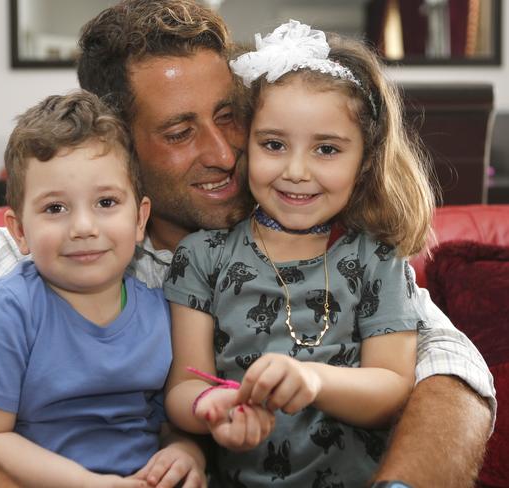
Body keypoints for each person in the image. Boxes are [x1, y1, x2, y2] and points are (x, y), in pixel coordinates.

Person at [0, 2, 494, 487]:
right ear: (122, 144)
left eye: (228, 116)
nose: (224, 153)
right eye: (179, 131)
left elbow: (452, 368)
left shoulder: (335, 240)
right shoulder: (65, 251)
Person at [162, 19, 448, 487]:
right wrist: (208, 406)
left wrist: (314, 381)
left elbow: (392, 389)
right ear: (246, 146)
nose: (296, 171)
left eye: (327, 150)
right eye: (274, 144)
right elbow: (182, 387)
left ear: (366, 158)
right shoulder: (201, 256)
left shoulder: (378, 258)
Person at [0, 90, 204, 487]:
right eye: (55, 208)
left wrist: (186, 451)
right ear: (19, 231)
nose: (84, 227)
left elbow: (164, 421)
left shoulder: (160, 311)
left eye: (106, 202)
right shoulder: (9, 311)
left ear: (140, 220)